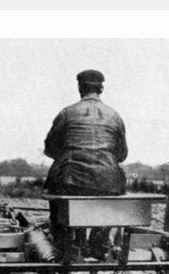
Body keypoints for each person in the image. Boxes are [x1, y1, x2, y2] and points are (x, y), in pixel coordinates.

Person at [44, 70, 128, 258]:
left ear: (80, 88)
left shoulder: (67, 113)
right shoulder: (115, 116)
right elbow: (122, 154)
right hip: (107, 181)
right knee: (108, 202)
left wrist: (69, 154)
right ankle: (99, 244)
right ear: (101, 89)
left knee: (59, 199)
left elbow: (50, 148)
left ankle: (67, 246)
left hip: (70, 178)